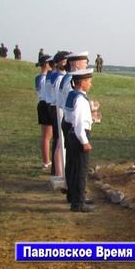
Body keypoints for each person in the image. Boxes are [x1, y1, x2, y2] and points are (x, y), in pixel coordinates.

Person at [64, 68, 96, 212]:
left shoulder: (72, 95)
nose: (91, 84)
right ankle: (79, 203)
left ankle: (72, 196)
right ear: (82, 82)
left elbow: (69, 117)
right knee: (81, 170)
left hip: (71, 133)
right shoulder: (81, 100)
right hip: (79, 135)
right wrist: (85, 141)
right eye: (89, 81)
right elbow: (78, 123)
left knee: (72, 167)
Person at [46, 51, 70, 176]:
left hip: (54, 107)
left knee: (58, 140)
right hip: (57, 108)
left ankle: (57, 170)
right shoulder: (57, 76)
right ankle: (58, 171)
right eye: (66, 60)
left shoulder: (55, 75)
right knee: (59, 140)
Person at [35, 55, 53, 170]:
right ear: (46, 64)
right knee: (47, 136)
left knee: (45, 136)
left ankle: (46, 160)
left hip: (42, 105)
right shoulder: (44, 78)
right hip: (46, 105)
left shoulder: (38, 77)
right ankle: (46, 161)